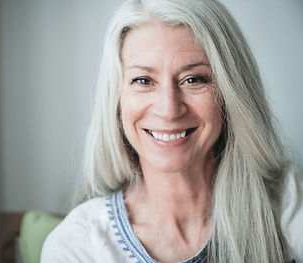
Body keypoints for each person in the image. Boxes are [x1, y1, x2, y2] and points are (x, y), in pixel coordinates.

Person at [41, 0, 303, 262]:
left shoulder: (289, 204)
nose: (169, 109)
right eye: (143, 80)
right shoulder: (77, 245)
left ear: (231, 92)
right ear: (116, 101)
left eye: (194, 79)